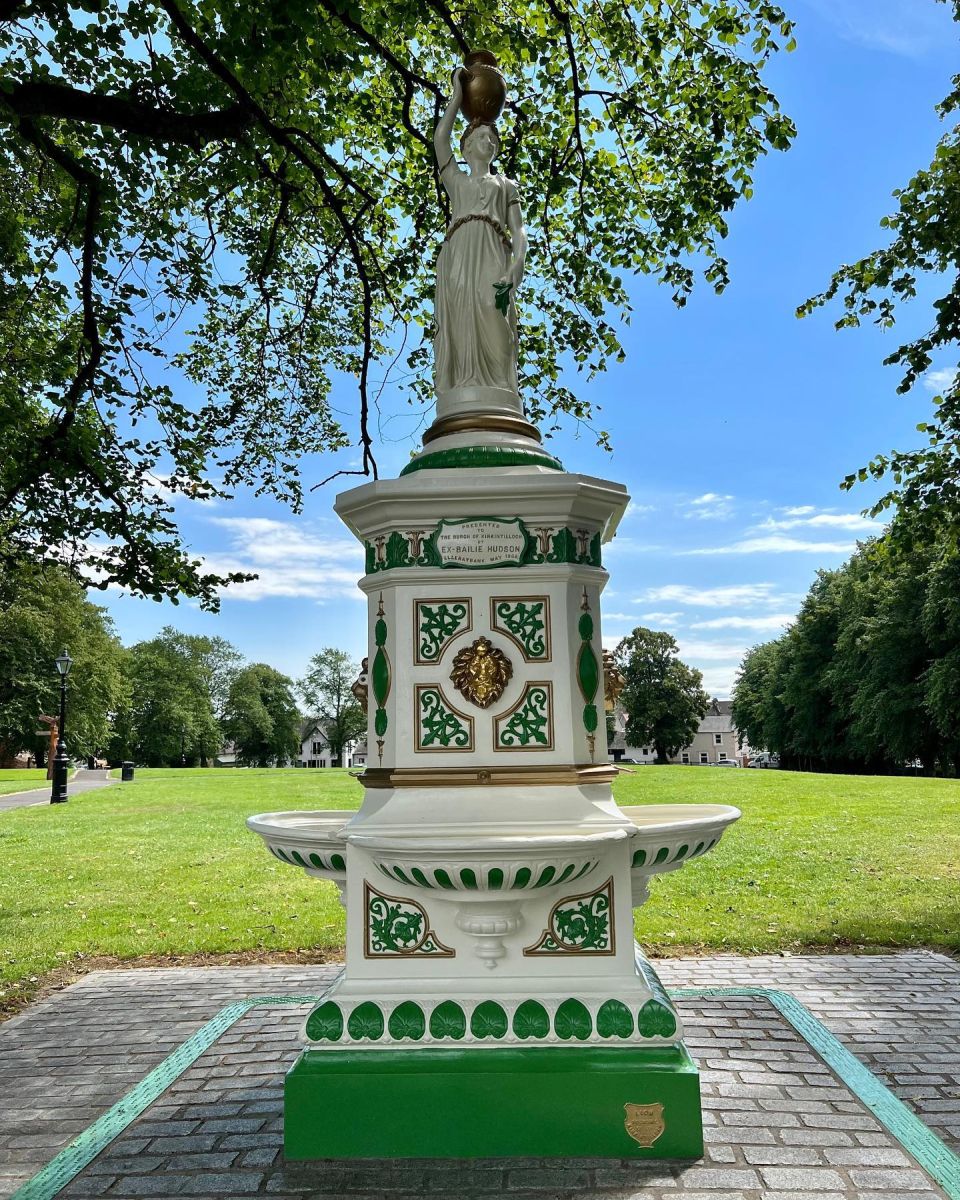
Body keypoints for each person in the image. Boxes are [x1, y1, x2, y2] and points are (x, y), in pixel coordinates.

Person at [432, 68, 528, 400]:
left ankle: (502, 388)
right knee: (460, 321)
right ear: (467, 146)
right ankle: (464, 388)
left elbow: (519, 229)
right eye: (480, 138)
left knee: (493, 309)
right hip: (459, 251)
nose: (487, 142)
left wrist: (518, 264)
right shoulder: (457, 182)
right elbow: (439, 139)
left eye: (493, 140)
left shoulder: (505, 184)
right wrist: (457, 96)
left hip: (492, 250)